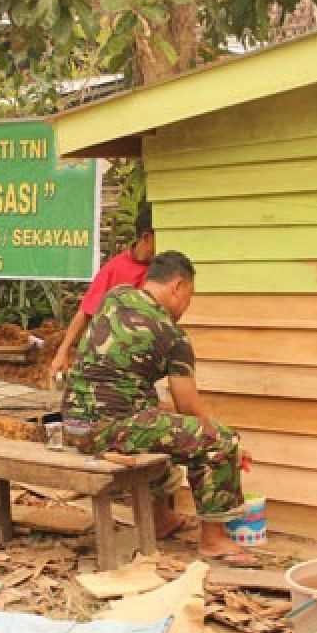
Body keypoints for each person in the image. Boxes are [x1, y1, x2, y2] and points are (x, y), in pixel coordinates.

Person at [61, 250, 256, 566]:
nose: (184, 310)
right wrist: (222, 435)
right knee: (219, 440)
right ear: (177, 286)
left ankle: (161, 518)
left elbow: (130, 386)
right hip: (107, 431)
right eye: (187, 301)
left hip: (72, 424)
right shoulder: (172, 335)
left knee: (162, 422)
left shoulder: (116, 297)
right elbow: (189, 407)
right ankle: (214, 540)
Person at [50, 204, 156, 378]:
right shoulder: (114, 268)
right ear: (146, 237)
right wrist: (62, 352)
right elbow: (86, 311)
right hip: (114, 359)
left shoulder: (164, 271)